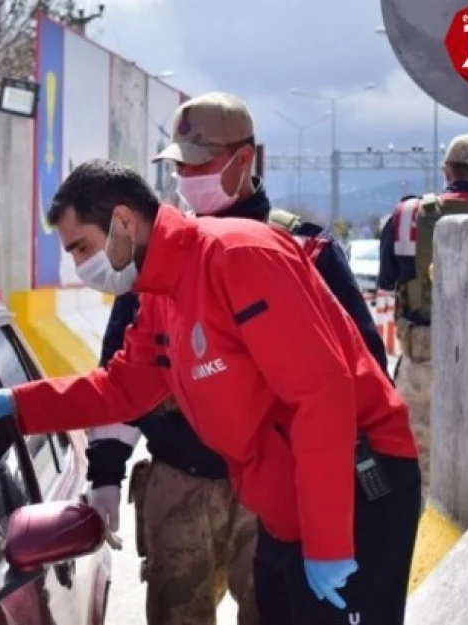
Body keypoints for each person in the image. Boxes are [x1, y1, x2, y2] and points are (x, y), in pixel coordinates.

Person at [0, 159, 421, 623]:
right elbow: (121, 388)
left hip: (353, 488)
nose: (80, 268)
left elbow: (322, 396)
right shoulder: (160, 293)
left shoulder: (238, 256)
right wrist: (14, 405)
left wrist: (329, 542)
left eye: (82, 248)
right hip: (286, 505)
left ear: (123, 222)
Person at [80, 92, 391, 625]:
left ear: (244, 160)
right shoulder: (158, 255)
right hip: (180, 485)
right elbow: (124, 374)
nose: (186, 178)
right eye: (179, 165)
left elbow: (364, 372)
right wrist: (105, 471)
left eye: (199, 164)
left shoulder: (305, 250)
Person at [378, 133, 468, 500]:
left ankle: (423, 544)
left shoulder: (407, 214)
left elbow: (388, 280)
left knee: (418, 463)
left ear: (447, 170)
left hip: (421, 355)